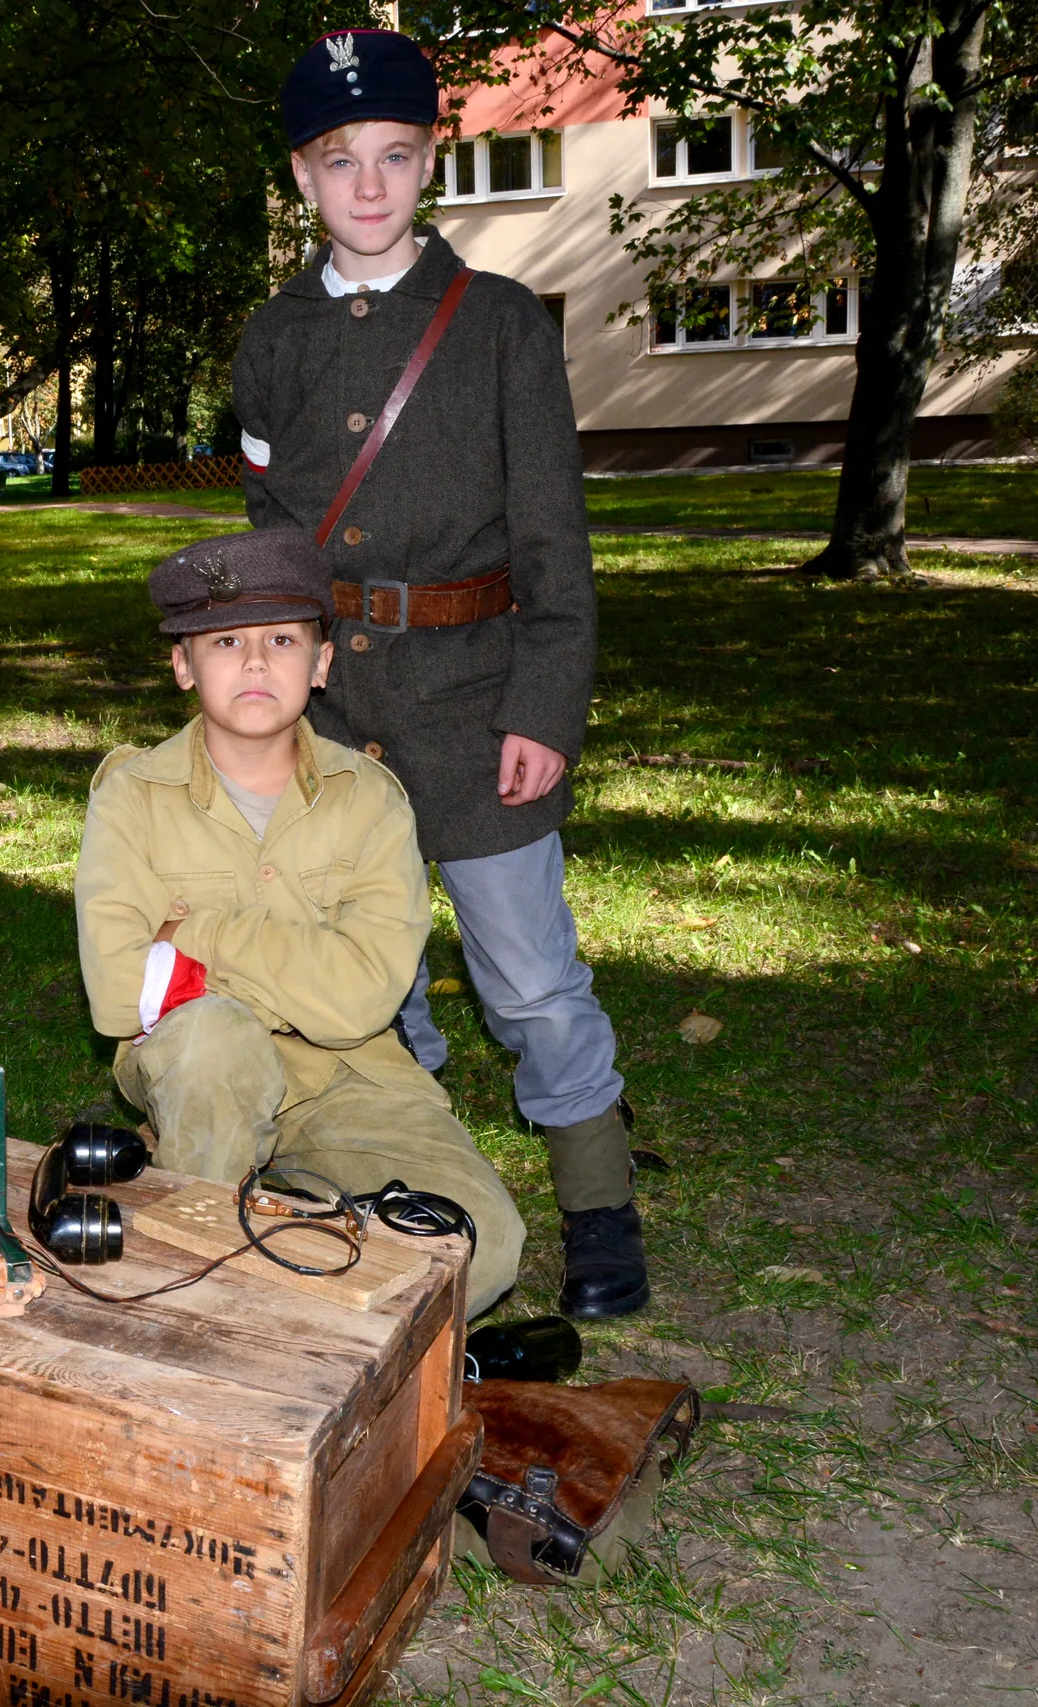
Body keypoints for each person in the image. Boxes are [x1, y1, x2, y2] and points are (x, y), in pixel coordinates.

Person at [229, 28, 646, 1318]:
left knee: (526, 972)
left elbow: (553, 544)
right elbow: (266, 548)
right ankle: (408, 1204)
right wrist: (265, 710)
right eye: (339, 161)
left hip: (478, 703)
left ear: (428, 165)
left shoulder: (502, 326)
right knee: (370, 985)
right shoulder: (273, 339)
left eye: (395, 157)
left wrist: (544, 707)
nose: (368, 186)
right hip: (338, 715)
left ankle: (597, 1203)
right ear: (301, 177)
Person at [73, 529, 525, 1320]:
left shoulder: (371, 800)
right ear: (183, 664)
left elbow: (360, 1000)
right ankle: (214, 1256)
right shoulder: (132, 796)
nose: (255, 662)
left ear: (320, 664)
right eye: (225, 641)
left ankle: (258, 1249)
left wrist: (198, 936)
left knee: (481, 1245)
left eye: (283, 639)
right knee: (217, 1040)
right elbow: (118, 993)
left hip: (349, 1075)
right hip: (201, 1069)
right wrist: (292, 976)